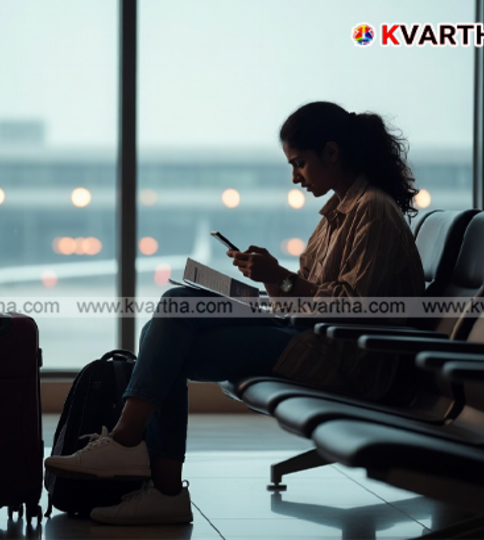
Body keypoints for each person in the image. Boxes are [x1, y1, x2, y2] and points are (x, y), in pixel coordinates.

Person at [44, 101, 425, 525]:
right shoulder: (338, 214)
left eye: (299, 163)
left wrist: (279, 277)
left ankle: (141, 458)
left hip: (345, 358)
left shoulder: (371, 210)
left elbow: (355, 311)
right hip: (311, 337)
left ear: (332, 153)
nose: (295, 177)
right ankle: (149, 470)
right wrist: (267, 281)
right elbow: (300, 297)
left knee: (171, 325)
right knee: (171, 318)